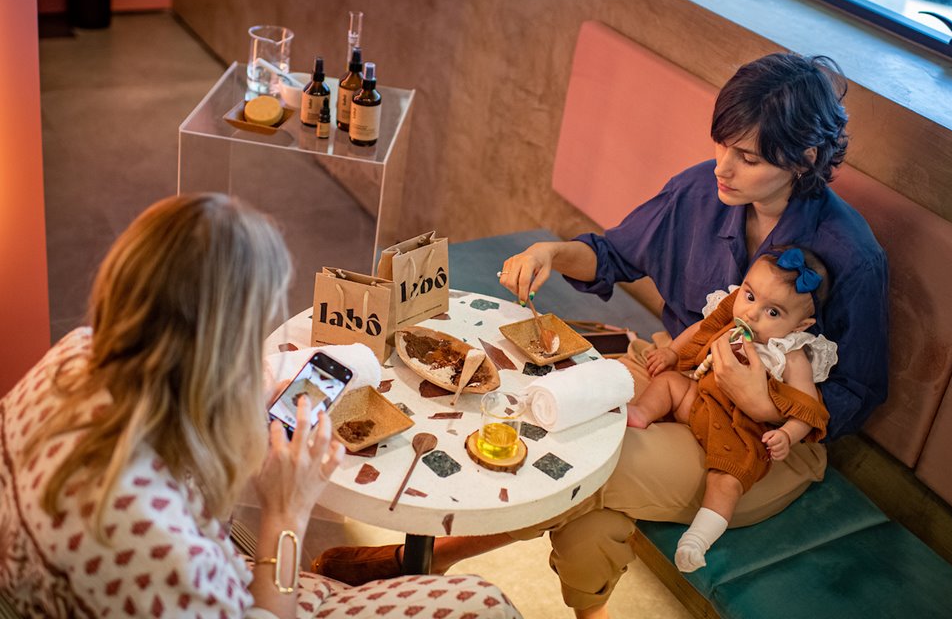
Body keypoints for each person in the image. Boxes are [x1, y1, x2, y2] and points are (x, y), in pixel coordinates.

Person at [313, 52, 888, 619]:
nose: (723, 167)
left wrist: (762, 401)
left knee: (589, 465)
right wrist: (553, 252)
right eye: (721, 144)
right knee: (544, 426)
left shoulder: (850, 255)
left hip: (759, 444)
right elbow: (613, 254)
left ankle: (420, 560)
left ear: (806, 158)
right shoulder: (701, 191)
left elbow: (858, 394)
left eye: (746, 157)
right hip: (670, 371)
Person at [0, 194, 520, 618]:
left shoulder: (77, 353)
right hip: (253, 595)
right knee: (485, 604)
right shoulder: (154, 545)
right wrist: (286, 512)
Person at [627, 247, 836, 572]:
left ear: (800, 325)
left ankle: (698, 539)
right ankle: (639, 414)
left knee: (727, 481)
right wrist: (672, 353)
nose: (752, 313)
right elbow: (700, 331)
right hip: (700, 401)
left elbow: (807, 409)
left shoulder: (791, 355)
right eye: (750, 296)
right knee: (669, 384)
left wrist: (786, 435)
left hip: (743, 432)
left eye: (774, 313)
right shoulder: (733, 317)